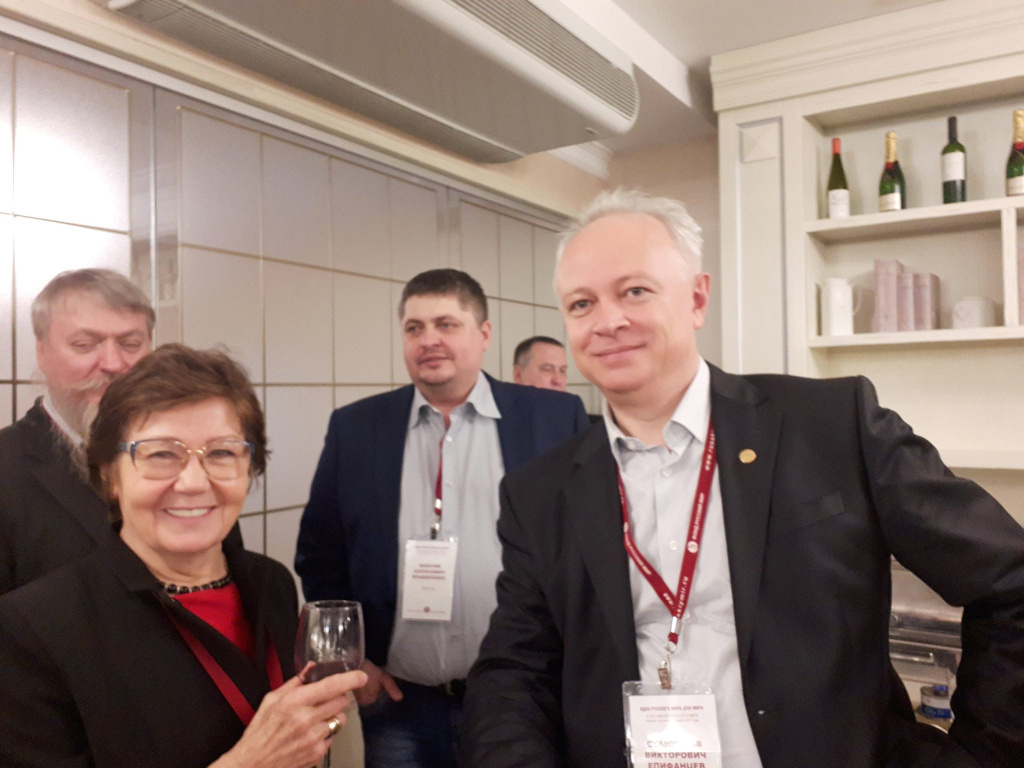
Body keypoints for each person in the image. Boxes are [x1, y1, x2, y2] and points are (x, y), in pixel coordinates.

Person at [461, 190, 1024, 768]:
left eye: (635, 291)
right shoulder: (539, 492)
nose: (607, 321)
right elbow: (514, 671)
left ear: (697, 298)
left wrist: (982, 755)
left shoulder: (832, 423)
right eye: (581, 303)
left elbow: (1010, 579)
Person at [0, 344, 367, 768]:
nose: (193, 482)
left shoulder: (272, 582)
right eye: (160, 454)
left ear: (249, 468)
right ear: (109, 474)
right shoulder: (35, 630)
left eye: (222, 453)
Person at [296, 268, 590, 768]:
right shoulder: (357, 427)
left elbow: (587, 548)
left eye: (446, 324)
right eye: (414, 328)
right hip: (402, 701)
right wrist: (354, 660)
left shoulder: (553, 419)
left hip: (524, 699)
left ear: (484, 333)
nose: (428, 339)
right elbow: (320, 555)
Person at [0, 268, 155, 595]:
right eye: (85, 345)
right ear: (42, 352)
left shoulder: (189, 454)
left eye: (131, 343)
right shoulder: (6, 468)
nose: (113, 363)